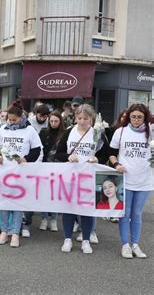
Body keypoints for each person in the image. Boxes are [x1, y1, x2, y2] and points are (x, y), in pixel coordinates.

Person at [55, 104, 109, 254]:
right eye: (79, 118)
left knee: (86, 210)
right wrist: (68, 156)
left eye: (86, 118)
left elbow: (106, 153)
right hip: (70, 177)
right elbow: (58, 153)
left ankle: (86, 240)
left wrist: (97, 159)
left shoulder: (97, 133)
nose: (82, 121)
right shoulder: (69, 132)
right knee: (69, 209)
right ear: (75, 118)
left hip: (89, 178)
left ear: (91, 119)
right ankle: (67, 239)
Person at [0, 104, 42, 247]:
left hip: (21, 172)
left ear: (21, 118)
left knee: (17, 203)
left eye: (14, 120)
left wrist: (26, 159)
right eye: (9, 119)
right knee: (4, 203)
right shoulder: (3, 129)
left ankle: (15, 233)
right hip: (5, 172)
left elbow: (36, 150)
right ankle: (4, 231)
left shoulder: (30, 131)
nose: (11, 122)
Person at [109, 103, 152, 259]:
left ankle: (135, 244)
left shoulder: (151, 132)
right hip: (125, 179)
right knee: (124, 214)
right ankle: (125, 245)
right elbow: (112, 154)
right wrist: (117, 164)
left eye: (139, 117)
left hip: (145, 179)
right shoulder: (121, 132)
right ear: (129, 117)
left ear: (145, 118)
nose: (136, 120)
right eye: (133, 116)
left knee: (137, 214)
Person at [35, 111, 66, 232]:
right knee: (45, 193)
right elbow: (40, 148)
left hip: (59, 167)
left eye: (56, 121)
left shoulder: (64, 134)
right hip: (45, 166)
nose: (53, 123)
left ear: (60, 122)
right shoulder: (44, 132)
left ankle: (54, 219)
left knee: (56, 194)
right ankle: (44, 218)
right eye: (51, 121)